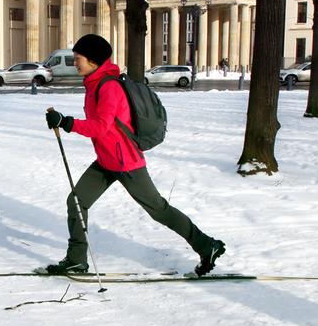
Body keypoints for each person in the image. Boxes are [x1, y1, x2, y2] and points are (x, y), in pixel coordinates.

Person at [44, 34, 226, 276]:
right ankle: (77, 259)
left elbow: (100, 126)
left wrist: (67, 122)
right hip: (107, 160)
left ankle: (207, 246)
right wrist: (65, 122)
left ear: (94, 61)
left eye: (78, 58)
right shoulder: (93, 83)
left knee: (158, 209)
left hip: (126, 162)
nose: (75, 62)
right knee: (76, 201)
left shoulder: (109, 87)